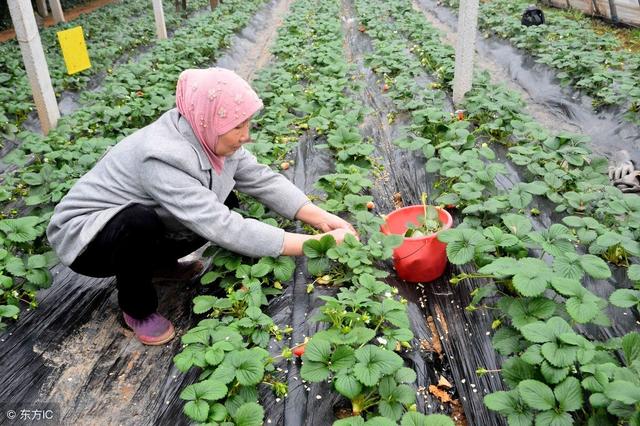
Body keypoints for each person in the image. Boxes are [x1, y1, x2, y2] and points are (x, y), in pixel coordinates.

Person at [46, 68, 357, 345]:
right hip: (87, 239)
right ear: (211, 118)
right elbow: (221, 226)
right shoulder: (160, 155)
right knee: (138, 222)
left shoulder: (209, 134)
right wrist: (317, 245)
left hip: (133, 226)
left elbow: (262, 179)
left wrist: (321, 217)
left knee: (222, 197)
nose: (246, 135)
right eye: (239, 126)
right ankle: (137, 309)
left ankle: (156, 265)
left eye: (247, 123)